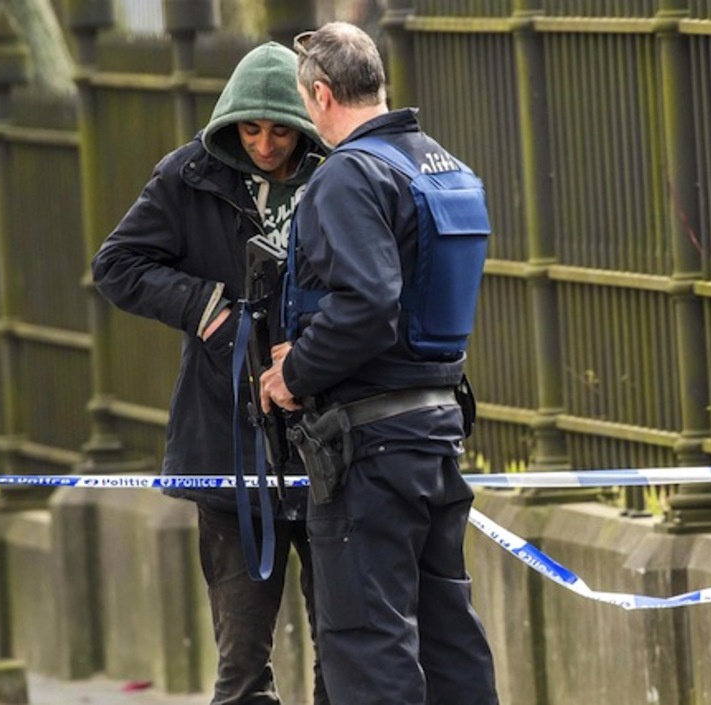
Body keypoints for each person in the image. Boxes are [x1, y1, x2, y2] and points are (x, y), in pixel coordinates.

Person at [259, 21, 499, 705]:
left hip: (369, 446)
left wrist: (295, 371)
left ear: (321, 95)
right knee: (448, 635)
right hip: (436, 431)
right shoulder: (444, 168)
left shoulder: (349, 175)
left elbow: (368, 304)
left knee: (368, 640)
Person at [91, 41, 328, 705]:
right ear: (230, 123)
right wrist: (207, 311)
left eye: (280, 130)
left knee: (345, 651)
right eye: (250, 130)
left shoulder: (338, 174)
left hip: (324, 441)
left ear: (303, 124)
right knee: (242, 664)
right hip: (227, 444)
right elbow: (116, 265)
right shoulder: (187, 174)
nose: (265, 145)